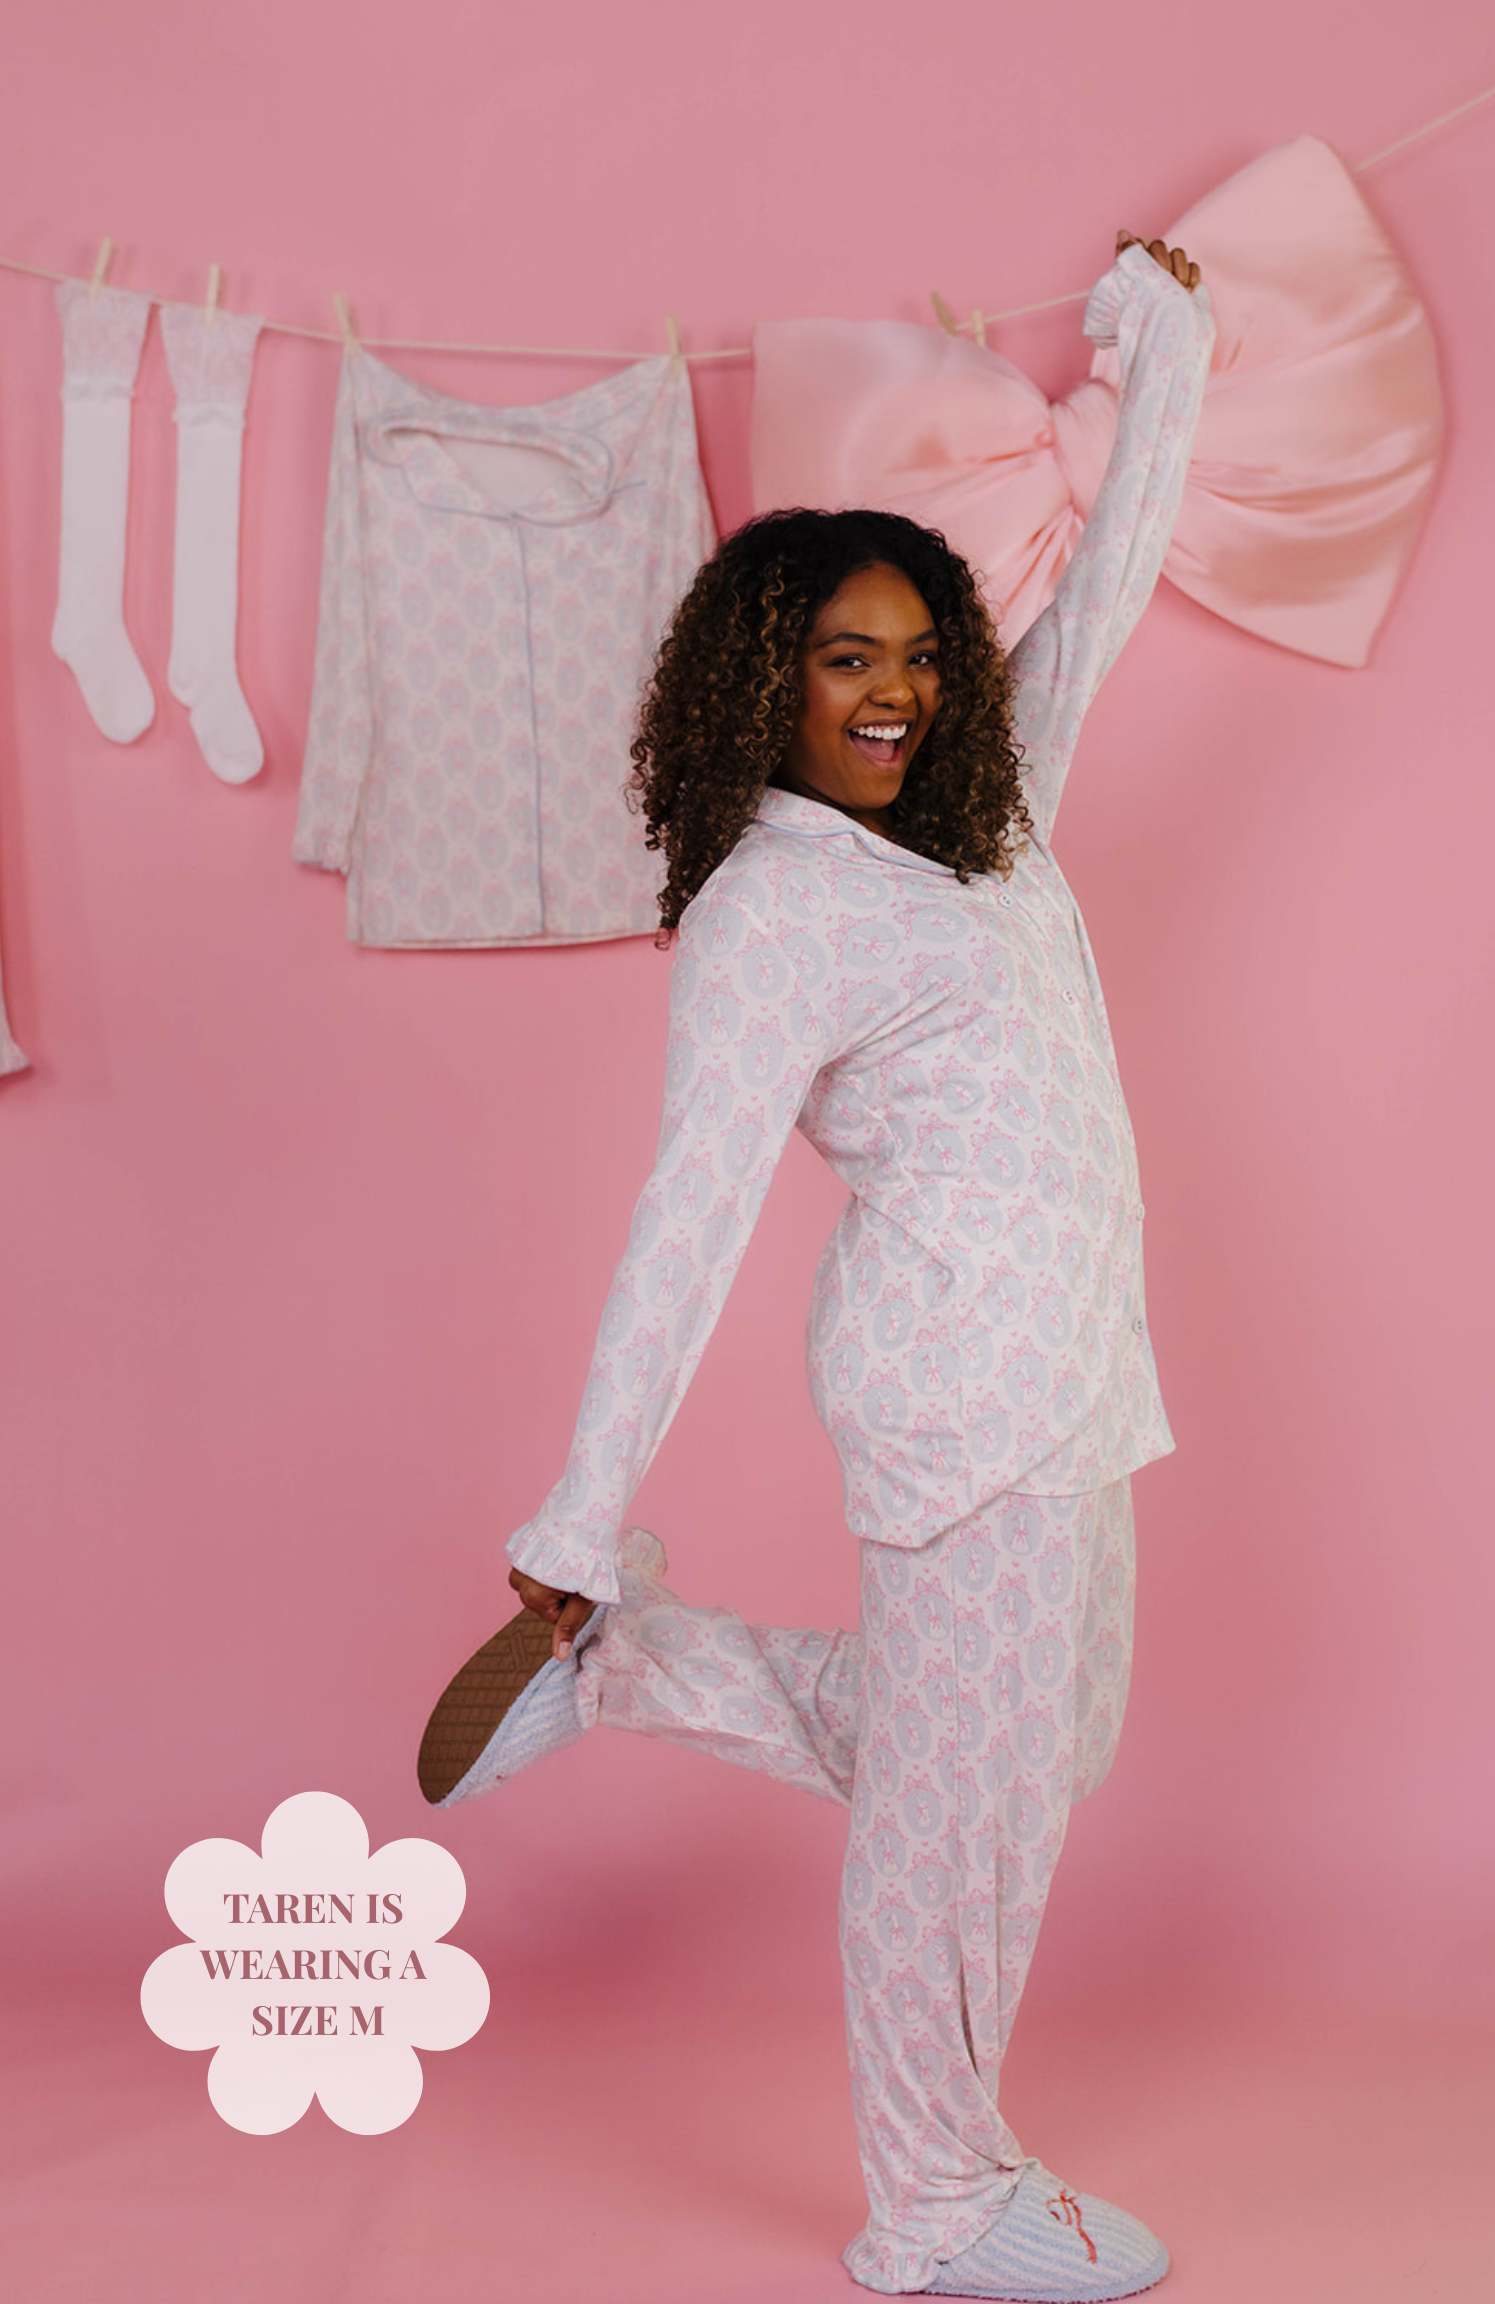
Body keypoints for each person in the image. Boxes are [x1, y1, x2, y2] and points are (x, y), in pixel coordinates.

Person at [419, 230, 1213, 2301]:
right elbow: (687, 1211)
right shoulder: (772, 914)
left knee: (1027, 1747)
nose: (893, 694)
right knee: (960, 1829)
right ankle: (933, 2204)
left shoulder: (979, 831)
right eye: (845, 657)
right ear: (761, 672)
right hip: (963, 1392)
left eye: (916, 652)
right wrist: (583, 1505)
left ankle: (641, 1672)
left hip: (1078, 1375)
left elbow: (1108, 589)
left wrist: (1163, 349)